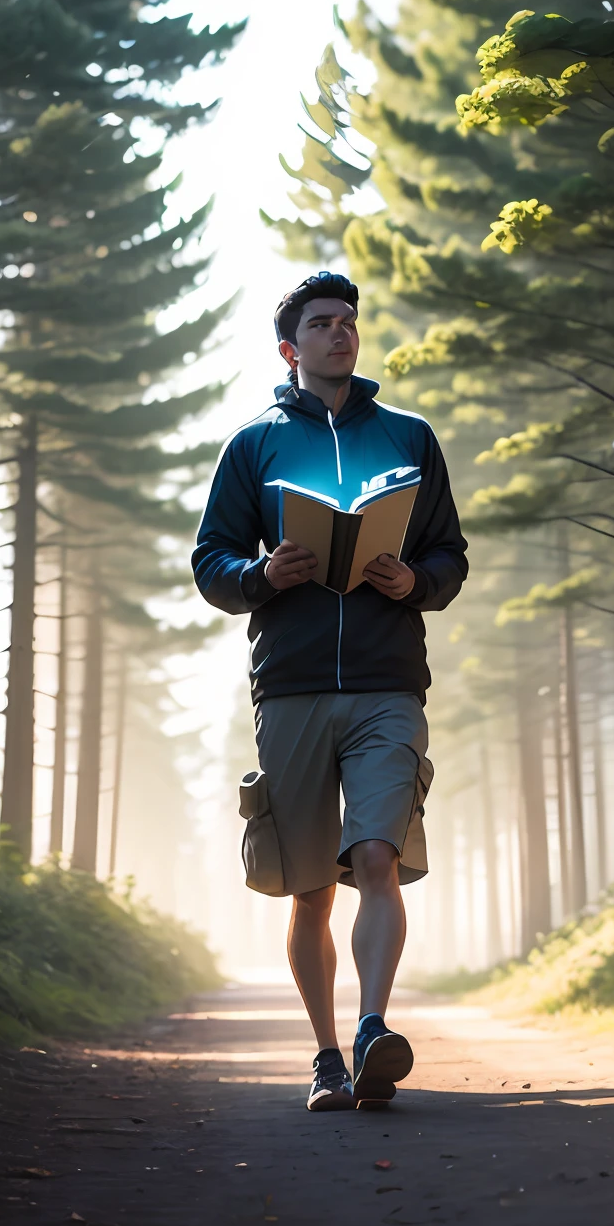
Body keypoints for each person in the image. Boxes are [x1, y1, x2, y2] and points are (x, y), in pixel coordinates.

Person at [192, 271, 468, 1112]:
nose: (340, 334)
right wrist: (263, 573)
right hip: (293, 686)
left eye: (349, 321)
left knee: (377, 855)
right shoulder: (254, 445)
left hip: (390, 684)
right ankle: (325, 1059)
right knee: (312, 886)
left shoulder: (410, 437)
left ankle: (374, 1027)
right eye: (321, 323)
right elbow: (212, 563)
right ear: (290, 347)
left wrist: (410, 579)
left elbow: (450, 558)